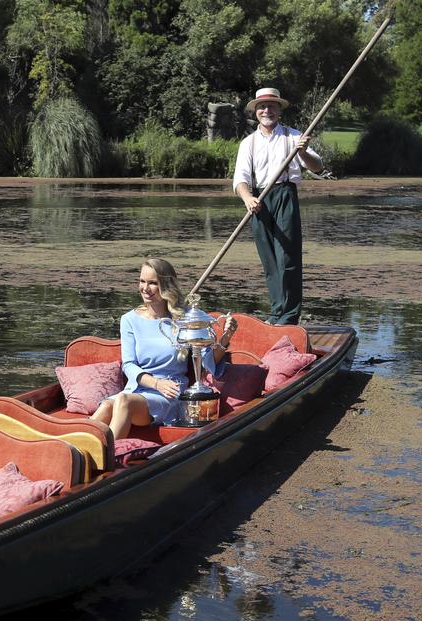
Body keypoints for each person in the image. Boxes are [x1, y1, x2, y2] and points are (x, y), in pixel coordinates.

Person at [91, 258, 237, 439]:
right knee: (107, 405)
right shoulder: (129, 319)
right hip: (137, 389)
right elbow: (128, 365)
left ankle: (105, 459)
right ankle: (74, 451)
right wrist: (155, 383)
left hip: (169, 393)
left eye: (153, 283)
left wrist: (226, 337)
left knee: (123, 401)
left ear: (166, 286)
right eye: (142, 281)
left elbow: (206, 362)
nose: (145, 288)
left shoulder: (186, 317)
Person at [232, 87, 323, 326]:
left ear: (279, 110)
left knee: (288, 259)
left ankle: (289, 316)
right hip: (259, 200)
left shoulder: (293, 136)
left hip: (284, 194)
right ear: (256, 112)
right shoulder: (248, 143)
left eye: (272, 106)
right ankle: (276, 312)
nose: (266, 110)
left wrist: (302, 152)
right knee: (269, 260)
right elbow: (240, 179)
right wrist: (247, 198)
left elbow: (317, 167)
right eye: (262, 107)